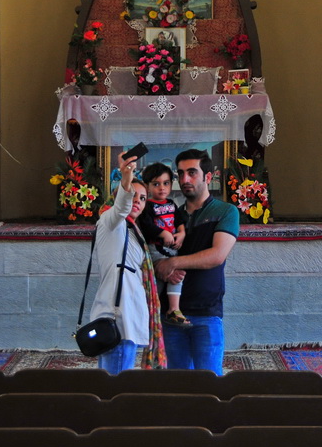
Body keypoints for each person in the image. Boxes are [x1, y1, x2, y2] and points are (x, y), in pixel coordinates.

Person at [155, 149, 240, 374]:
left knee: (209, 385)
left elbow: (216, 255)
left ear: (208, 177)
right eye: (180, 174)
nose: (184, 180)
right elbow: (153, 253)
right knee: (178, 387)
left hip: (206, 313)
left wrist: (173, 264)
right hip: (171, 314)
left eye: (192, 172)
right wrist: (158, 266)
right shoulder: (169, 215)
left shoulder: (225, 211)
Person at [89, 152, 165, 374]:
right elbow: (121, 207)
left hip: (128, 316)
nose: (138, 202)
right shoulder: (111, 221)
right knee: (117, 387)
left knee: (111, 384)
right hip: (119, 319)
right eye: (133, 195)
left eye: (143, 198)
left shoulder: (134, 232)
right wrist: (127, 177)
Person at [134, 163, 190, 327]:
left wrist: (181, 234)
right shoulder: (147, 205)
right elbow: (146, 226)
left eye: (166, 183)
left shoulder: (172, 204)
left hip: (172, 249)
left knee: (177, 275)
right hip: (156, 249)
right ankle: (150, 312)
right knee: (155, 282)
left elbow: (179, 221)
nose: (162, 188)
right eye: (156, 184)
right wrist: (163, 233)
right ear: (147, 186)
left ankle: (174, 309)